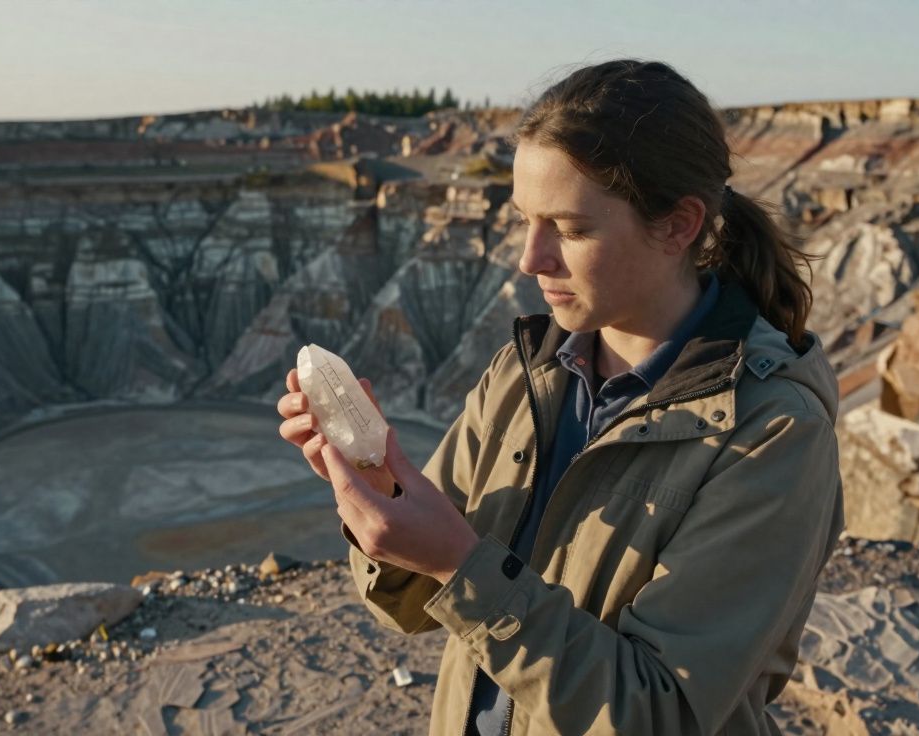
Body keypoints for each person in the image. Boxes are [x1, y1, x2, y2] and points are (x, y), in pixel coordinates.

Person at [276, 58, 843, 736]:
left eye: (569, 229)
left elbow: (659, 715)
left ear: (678, 225)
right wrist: (380, 490)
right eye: (524, 220)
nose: (530, 258)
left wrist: (458, 561)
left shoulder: (772, 430)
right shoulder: (526, 375)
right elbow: (411, 605)